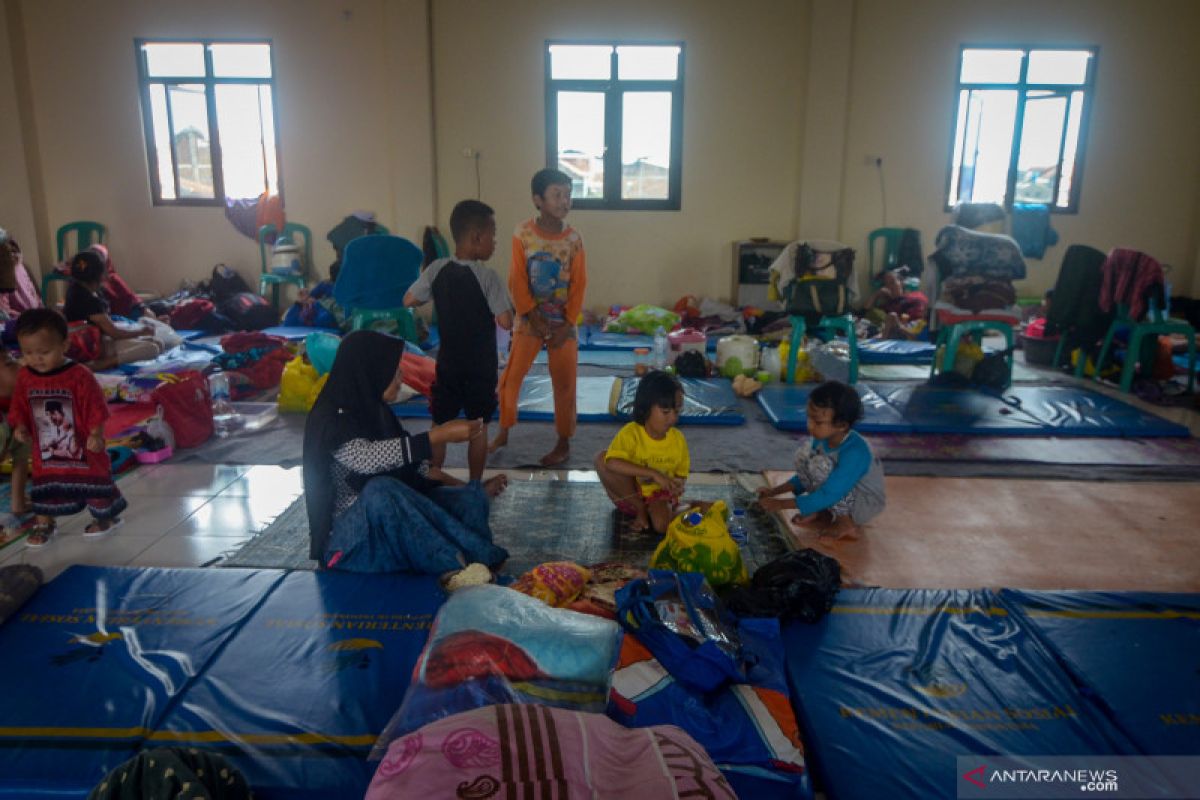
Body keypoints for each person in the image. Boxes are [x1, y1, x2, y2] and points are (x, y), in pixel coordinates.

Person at [303, 330, 508, 575]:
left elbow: (416, 469)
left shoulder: (376, 411)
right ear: (370, 371)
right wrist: (437, 436)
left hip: (387, 523)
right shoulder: (329, 419)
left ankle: (470, 556)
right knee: (381, 491)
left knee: (467, 500)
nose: (401, 378)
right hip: (349, 543)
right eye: (394, 371)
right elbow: (366, 459)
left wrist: (465, 490)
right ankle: (456, 563)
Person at [404, 199, 513, 490]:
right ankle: (475, 486)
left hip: (448, 363)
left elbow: (409, 300)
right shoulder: (488, 277)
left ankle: (435, 477)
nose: (495, 242)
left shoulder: (437, 269)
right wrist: (511, 311)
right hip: (480, 366)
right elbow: (505, 322)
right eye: (493, 235)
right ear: (477, 238)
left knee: (439, 426)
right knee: (479, 428)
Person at [490, 168, 587, 466]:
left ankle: (563, 442)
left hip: (562, 325)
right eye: (557, 195)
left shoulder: (573, 239)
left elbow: (578, 284)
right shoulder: (523, 233)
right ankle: (504, 429)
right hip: (529, 320)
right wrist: (531, 315)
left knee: (565, 383)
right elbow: (516, 279)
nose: (564, 201)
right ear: (538, 200)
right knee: (510, 379)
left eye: (568, 195)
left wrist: (567, 323)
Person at [8, 308, 126, 546]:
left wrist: (96, 433)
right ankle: (44, 524)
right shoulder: (25, 376)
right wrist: (20, 426)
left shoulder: (79, 375)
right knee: (45, 486)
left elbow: (95, 405)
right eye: (28, 352)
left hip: (81, 445)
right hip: (46, 449)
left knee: (93, 482)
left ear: (64, 345)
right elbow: (19, 404)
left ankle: (106, 518)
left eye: (44, 352)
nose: (36, 359)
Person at [757, 380, 885, 540]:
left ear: (841, 425)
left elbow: (831, 492)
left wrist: (781, 505)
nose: (810, 426)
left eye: (817, 422)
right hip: (836, 491)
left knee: (821, 466)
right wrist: (774, 492)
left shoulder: (855, 452)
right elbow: (803, 477)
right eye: (809, 418)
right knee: (805, 458)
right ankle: (820, 509)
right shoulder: (823, 438)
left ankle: (845, 522)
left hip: (863, 503)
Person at [595, 370, 690, 535]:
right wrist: (652, 473)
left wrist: (677, 485)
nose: (673, 419)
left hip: (658, 497)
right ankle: (641, 510)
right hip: (629, 497)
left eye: (677, 412)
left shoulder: (678, 439)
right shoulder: (631, 433)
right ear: (646, 408)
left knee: (661, 526)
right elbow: (611, 462)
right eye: (666, 412)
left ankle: (687, 508)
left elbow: (681, 476)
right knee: (601, 459)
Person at [62, 250, 162, 366]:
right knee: (153, 347)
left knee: (156, 342)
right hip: (91, 348)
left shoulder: (75, 289)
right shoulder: (89, 300)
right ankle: (101, 364)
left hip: (95, 341)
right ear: (99, 275)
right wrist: (142, 331)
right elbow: (115, 333)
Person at [0, 350, 31, 541]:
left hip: (13, 426)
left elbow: (21, 461)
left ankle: (18, 503)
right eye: (11, 364)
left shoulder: (15, 401)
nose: (20, 367)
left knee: (22, 455)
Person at [865, 269, 929, 340]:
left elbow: (925, 312)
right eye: (887, 284)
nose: (890, 286)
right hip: (899, 331)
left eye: (892, 282)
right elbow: (865, 311)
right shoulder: (888, 305)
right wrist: (876, 294)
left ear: (901, 282)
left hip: (918, 328)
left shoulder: (916, 296)